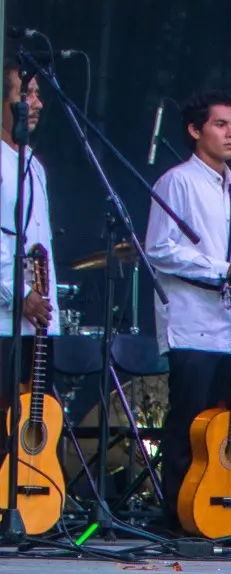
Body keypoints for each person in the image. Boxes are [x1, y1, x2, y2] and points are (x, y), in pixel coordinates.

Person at [145, 90, 231, 532]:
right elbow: (160, 249)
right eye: (220, 125)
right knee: (190, 422)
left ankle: (228, 510)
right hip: (191, 321)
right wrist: (220, 270)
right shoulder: (176, 181)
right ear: (195, 131)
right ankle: (179, 515)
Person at [0, 59, 60, 388]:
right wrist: (22, 293)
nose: (37, 103)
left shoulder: (33, 164)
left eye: (37, 94)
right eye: (28, 94)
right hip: (4, 320)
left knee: (31, 426)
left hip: (35, 324)